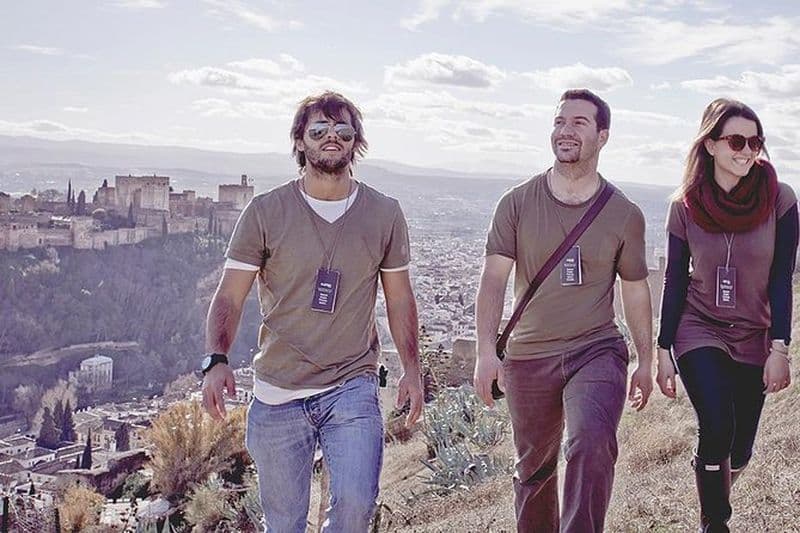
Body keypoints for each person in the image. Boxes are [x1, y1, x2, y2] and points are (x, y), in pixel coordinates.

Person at [200, 91, 424, 532]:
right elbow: (229, 296)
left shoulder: (384, 213)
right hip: (278, 391)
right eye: (318, 131)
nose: (331, 138)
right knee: (283, 524)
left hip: (352, 383)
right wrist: (216, 358)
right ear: (300, 142)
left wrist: (413, 369)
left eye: (343, 131)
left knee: (356, 507)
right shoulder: (266, 211)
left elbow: (400, 298)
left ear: (355, 141)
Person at [473, 88, 654, 532]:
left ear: (602, 136)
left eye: (578, 122)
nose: (565, 131)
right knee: (534, 472)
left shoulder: (624, 214)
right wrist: (484, 351)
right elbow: (493, 279)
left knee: (590, 442)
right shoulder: (516, 202)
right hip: (529, 355)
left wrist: (646, 359)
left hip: (595, 348)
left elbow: (634, 290)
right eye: (559, 122)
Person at [655, 98, 797, 532]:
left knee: (740, 450)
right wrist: (663, 349)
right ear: (711, 144)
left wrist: (779, 347)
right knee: (717, 423)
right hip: (699, 327)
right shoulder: (684, 205)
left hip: (755, 332)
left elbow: (781, 278)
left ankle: (712, 481)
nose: (748, 150)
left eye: (756, 141)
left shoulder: (782, 200)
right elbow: (675, 279)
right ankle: (715, 523)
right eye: (737, 140)